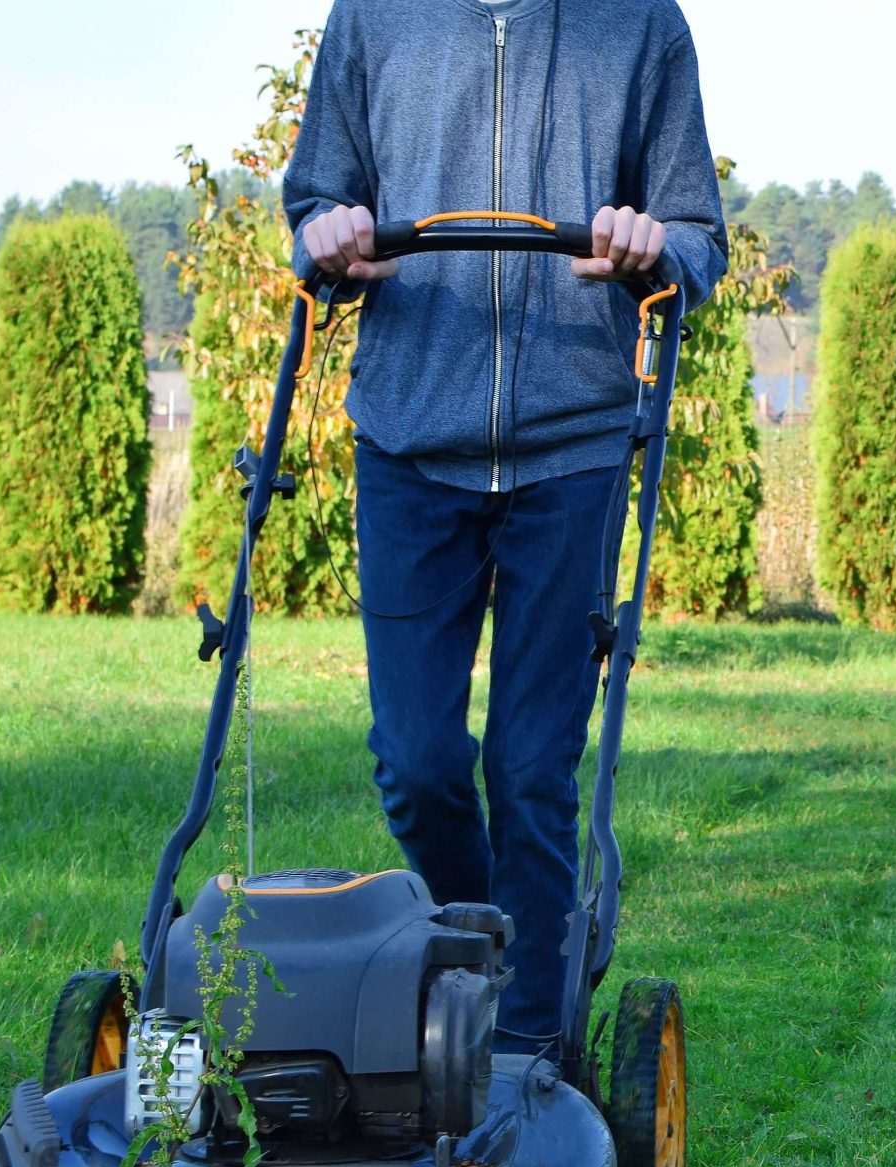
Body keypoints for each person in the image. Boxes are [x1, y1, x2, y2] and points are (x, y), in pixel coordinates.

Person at [284, 0, 725, 1057]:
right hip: (407, 438)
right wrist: (327, 235)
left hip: (569, 448)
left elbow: (696, 238)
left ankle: (531, 1050)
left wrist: (652, 245)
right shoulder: (375, 19)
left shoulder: (638, 27)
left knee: (533, 770)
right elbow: (313, 201)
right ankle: (494, 943)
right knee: (417, 758)